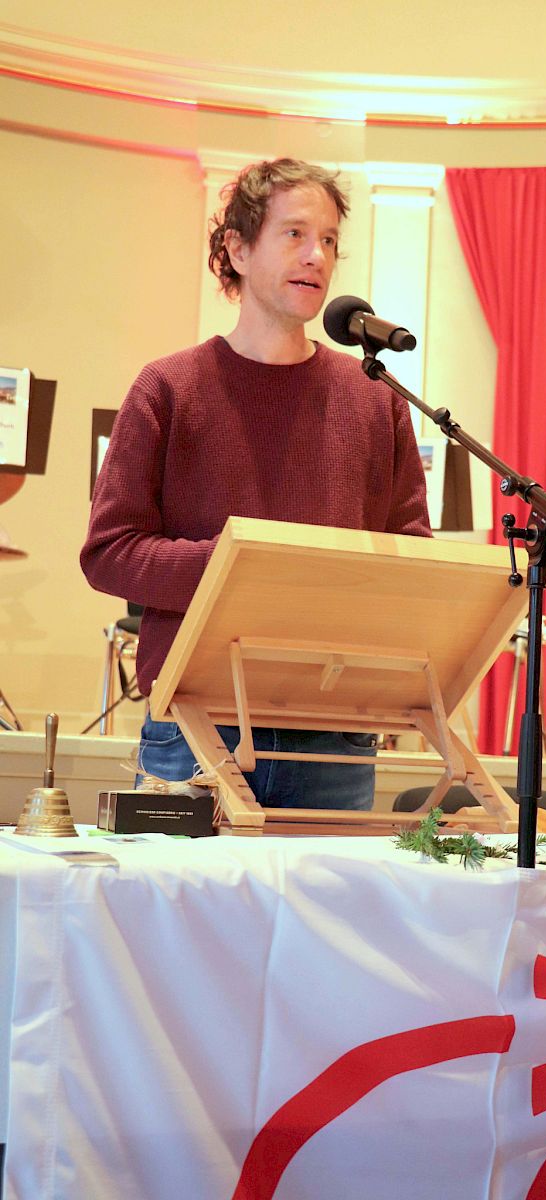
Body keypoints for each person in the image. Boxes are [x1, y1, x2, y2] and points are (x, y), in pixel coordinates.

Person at [81, 157, 431, 811]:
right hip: (194, 723)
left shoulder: (376, 399)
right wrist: (241, 568)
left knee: (328, 889)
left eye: (329, 240)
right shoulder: (167, 388)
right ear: (238, 250)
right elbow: (109, 552)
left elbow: (408, 554)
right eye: (295, 234)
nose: (317, 256)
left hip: (334, 731)